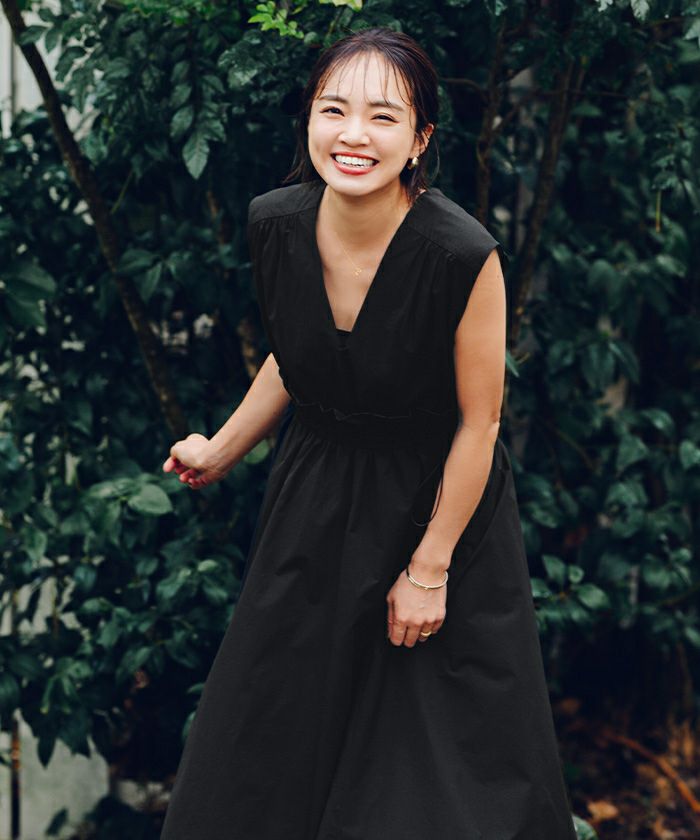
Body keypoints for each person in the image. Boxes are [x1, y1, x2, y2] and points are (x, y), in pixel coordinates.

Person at [159, 26, 578, 840]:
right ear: (309, 120)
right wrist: (220, 448)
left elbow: (481, 421)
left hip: (436, 508)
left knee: (432, 783)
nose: (354, 135)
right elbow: (298, 353)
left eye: (384, 117)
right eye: (334, 110)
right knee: (272, 744)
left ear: (420, 139)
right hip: (314, 502)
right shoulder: (275, 222)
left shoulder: (460, 254)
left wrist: (428, 569)